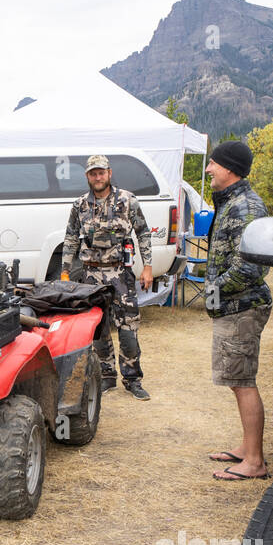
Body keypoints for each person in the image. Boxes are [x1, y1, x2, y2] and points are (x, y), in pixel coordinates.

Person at [202, 140, 273, 480]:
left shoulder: (246, 208)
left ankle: (255, 462)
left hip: (242, 307)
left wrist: (214, 291)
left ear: (228, 168)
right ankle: (247, 448)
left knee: (243, 381)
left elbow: (251, 268)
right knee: (237, 380)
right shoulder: (233, 202)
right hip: (232, 307)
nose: (208, 169)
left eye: (213, 163)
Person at [60, 155, 154, 398]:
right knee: (98, 329)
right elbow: (70, 237)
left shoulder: (128, 200)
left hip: (121, 274)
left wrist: (147, 267)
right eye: (93, 173)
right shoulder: (79, 205)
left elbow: (143, 233)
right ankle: (107, 376)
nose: (97, 177)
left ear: (109, 173)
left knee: (128, 330)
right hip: (91, 276)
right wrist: (65, 270)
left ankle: (132, 379)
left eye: (101, 172)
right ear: (87, 176)